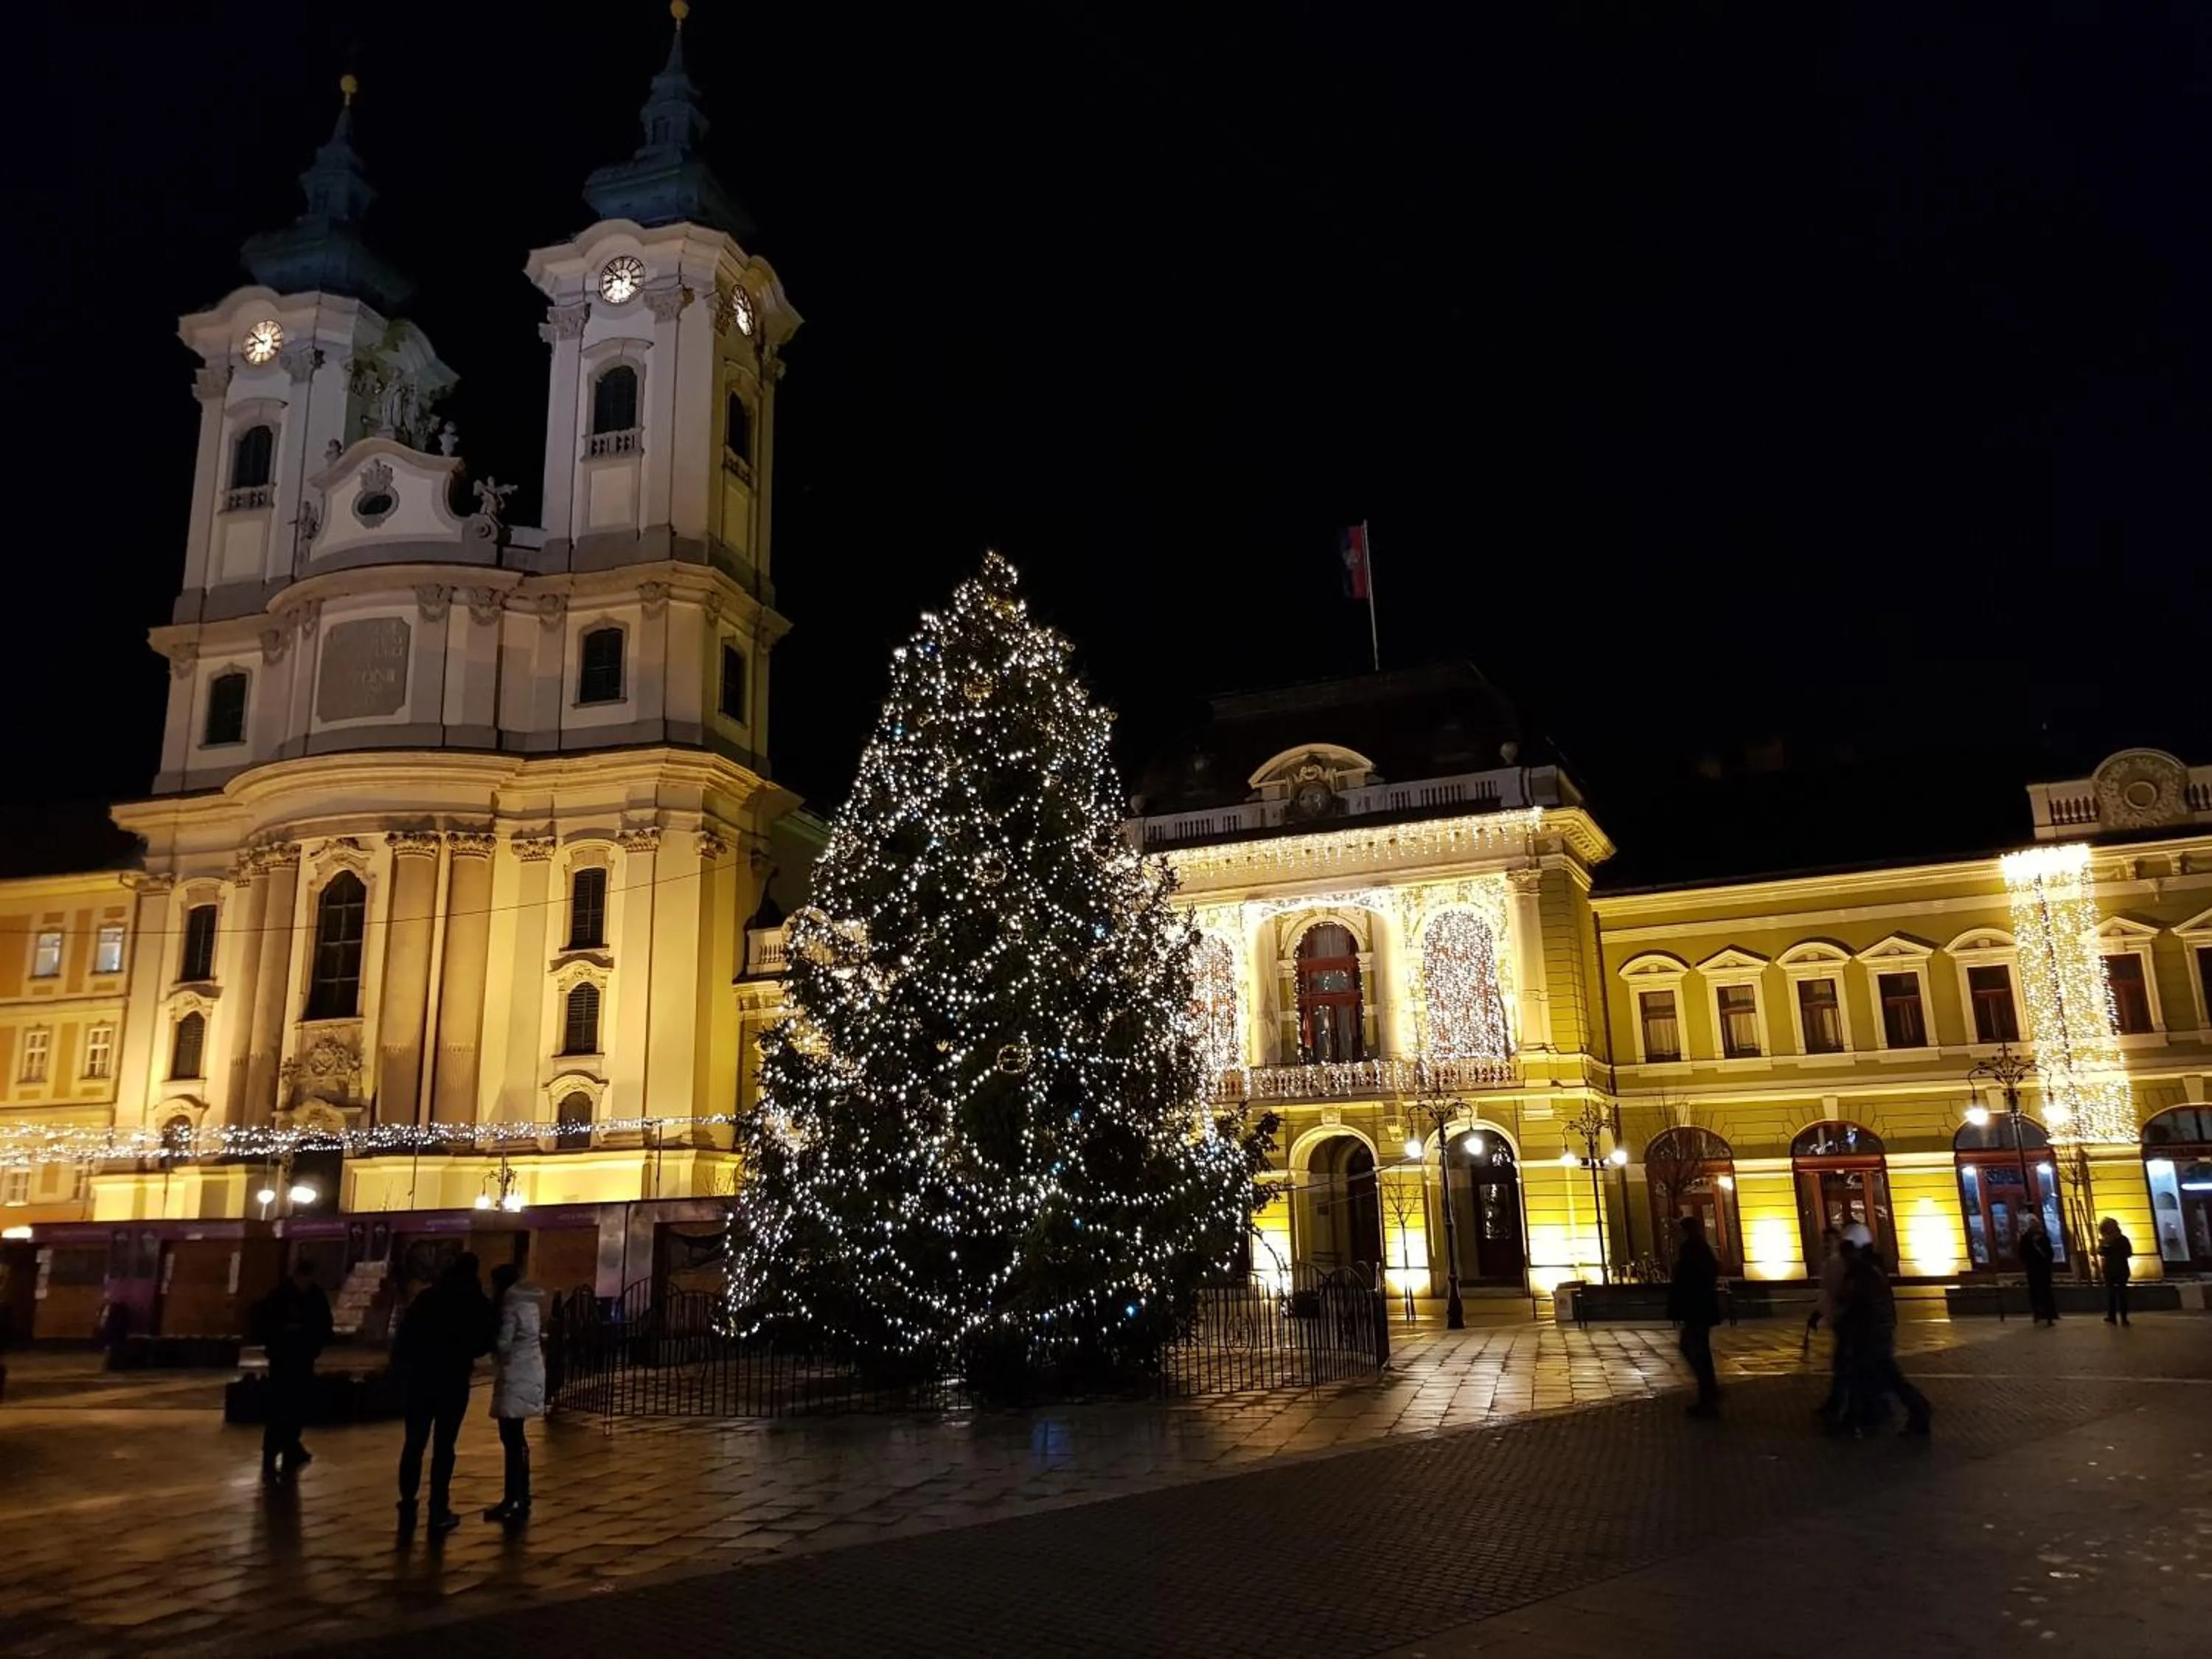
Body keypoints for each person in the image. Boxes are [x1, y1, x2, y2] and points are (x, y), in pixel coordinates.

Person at [393, 1252, 493, 1538]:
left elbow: (406, 1336)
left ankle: (408, 1502)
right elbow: (483, 1342)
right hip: (452, 1380)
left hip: (420, 1379)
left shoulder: (428, 1298)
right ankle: (438, 1508)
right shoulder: (474, 1302)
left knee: (414, 1442)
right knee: (444, 1446)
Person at [1833, 1223, 1930, 1436]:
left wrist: (1852, 1330)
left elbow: (1860, 1307)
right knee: (1875, 1378)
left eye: (1846, 1248)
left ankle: (1919, 1410)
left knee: (1880, 1379)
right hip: (1875, 1335)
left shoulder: (1863, 1274)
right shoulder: (1871, 1270)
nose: (1843, 1254)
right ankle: (1854, 1420)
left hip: (1869, 1337)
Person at [253, 1260, 333, 1484]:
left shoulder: (310, 1296)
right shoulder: (281, 1297)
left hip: (301, 1358)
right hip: (284, 1359)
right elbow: (265, 1324)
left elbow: (325, 1326)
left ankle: (289, 1446)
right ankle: (275, 1450)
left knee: (295, 1404)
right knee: (280, 1404)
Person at [484, 1261, 548, 1524]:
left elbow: (504, 1343)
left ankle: (515, 1498)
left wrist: (488, 1344)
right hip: (530, 1372)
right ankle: (522, 1495)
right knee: (516, 1438)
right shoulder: (530, 1305)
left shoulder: (510, 1306)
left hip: (515, 1376)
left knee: (511, 1437)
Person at [1667, 1214, 1723, 1417]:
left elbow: (1688, 1281)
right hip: (1701, 1308)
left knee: (1693, 1349)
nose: (1674, 1235)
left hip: (1697, 1309)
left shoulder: (1691, 1250)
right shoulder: (1701, 1249)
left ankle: (1707, 1395)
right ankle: (1709, 1392)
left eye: (1678, 1231)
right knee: (1700, 1351)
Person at [2018, 1211, 2059, 1326]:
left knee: (2045, 1292)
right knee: (2036, 1293)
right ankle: (2038, 1314)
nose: (2034, 1225)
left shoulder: (2041, 1236)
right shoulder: (2027, 1238)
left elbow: (2050, 1252)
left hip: (2041, 1269)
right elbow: (2022, 1253)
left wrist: (2047, 1261)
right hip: (2035, 1269)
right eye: (2032, 1223)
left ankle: (2049, 1315)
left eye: (2035, 1223)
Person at [2098, 1217, 2134, 1326]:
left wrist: (2109, 1249)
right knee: (2115, 1294)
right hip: (2116, 1270)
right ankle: (2118, 1318)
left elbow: (2128, 1253)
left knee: (2116, 1294)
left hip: (2116, 1270)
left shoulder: (2121, 1240)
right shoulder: (2120, 1239)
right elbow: (2100, 1252)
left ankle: (2118, 1317)